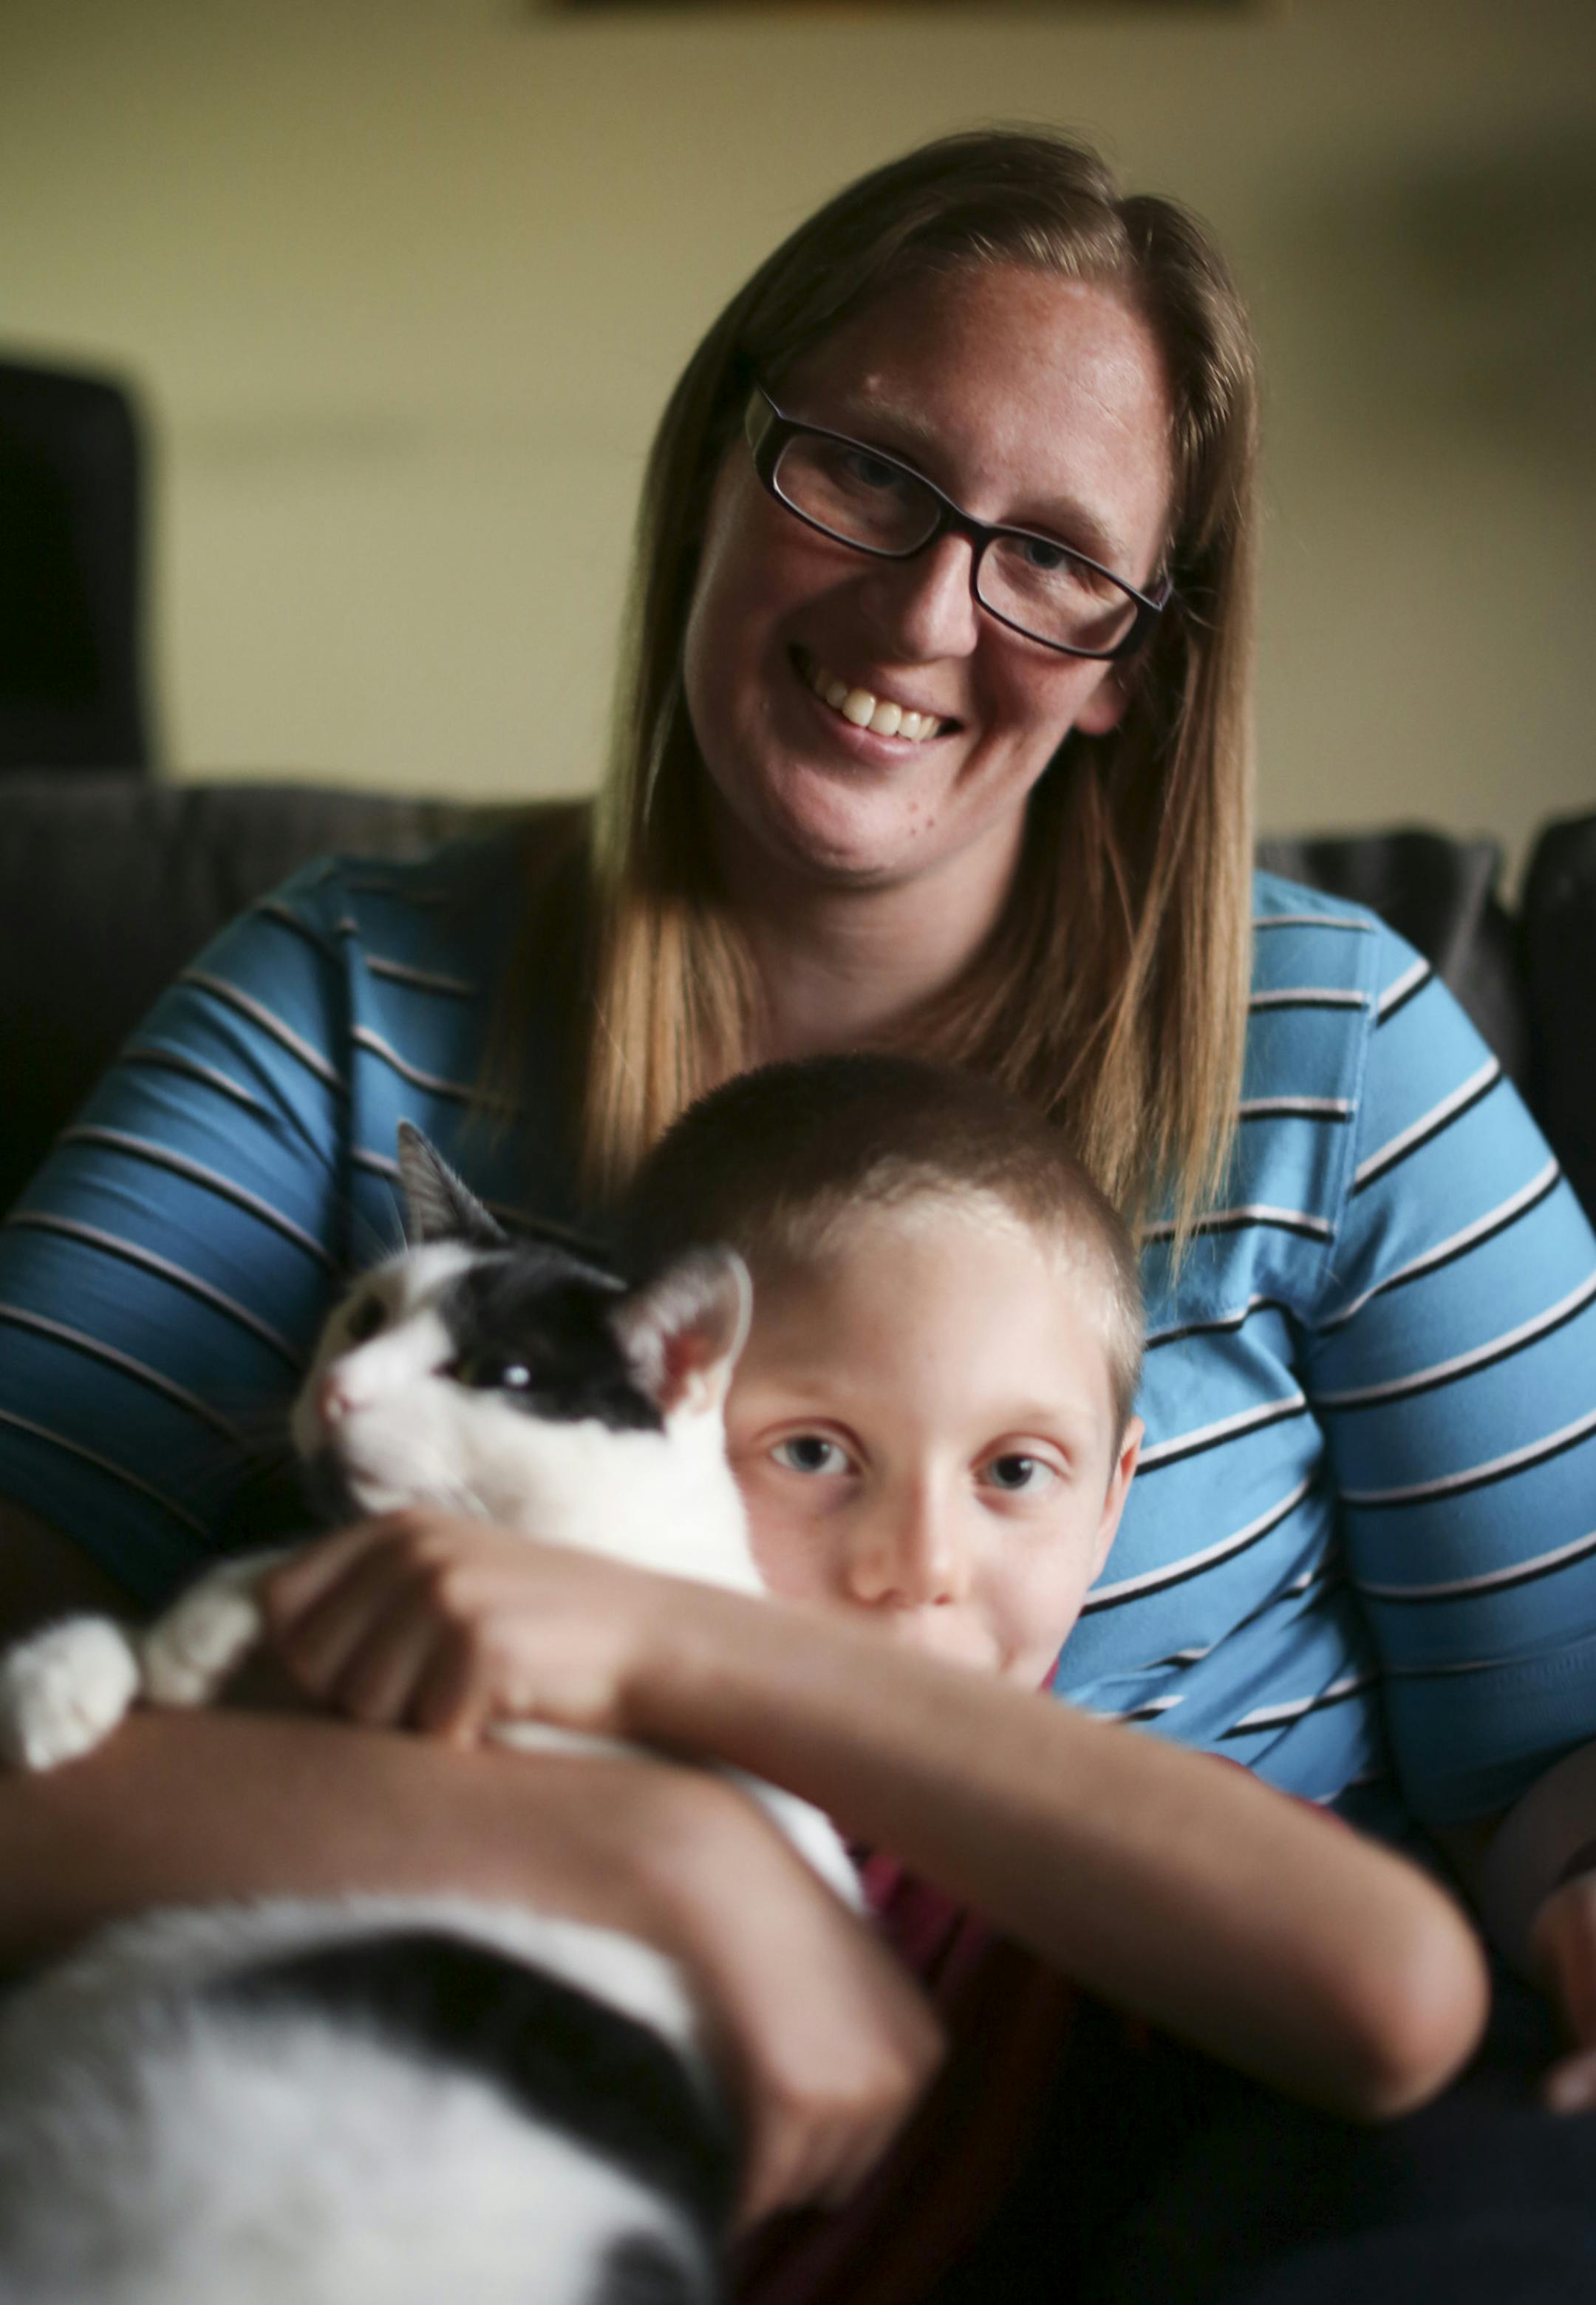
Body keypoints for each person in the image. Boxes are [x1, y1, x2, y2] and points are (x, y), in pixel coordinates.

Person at [0, 123, 1594, 2291]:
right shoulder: (344, 1012)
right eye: (864, 471)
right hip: (495, 2091)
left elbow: (1563, 1758)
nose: (931, 612)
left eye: (1055, 559)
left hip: (1216, 2113)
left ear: (1134, 656)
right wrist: (670, 1854)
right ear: (720, 466)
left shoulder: (1342, 1051)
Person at [257, 1049, 1487, 2303]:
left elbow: (1406, 2000)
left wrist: (669, 1640)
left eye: (1014, 1473)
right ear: (657, 1404)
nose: (921, 1564)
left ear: (1113, 1503)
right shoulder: (459, 1732)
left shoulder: (1086, 1853)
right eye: (811, 1451)